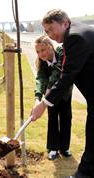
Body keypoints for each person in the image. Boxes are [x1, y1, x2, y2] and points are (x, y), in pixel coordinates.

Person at [31, 9, 94, 178]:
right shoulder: (78, 31)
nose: (50, 35)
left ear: (65, 23)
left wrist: (44, 103)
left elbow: (67, 75)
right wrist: (39, 97)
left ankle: (83, 174)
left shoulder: (74, 38)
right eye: (46, 32)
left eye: (51, 30)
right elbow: (41, 77)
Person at [34, 35, 73, 160]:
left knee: (66, 119)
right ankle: (53, 148)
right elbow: (40, 80)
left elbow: (57, 73)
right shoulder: (42, 63)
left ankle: (64, 147)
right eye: (38, 51)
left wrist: (49, 90)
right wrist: (37, 99)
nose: (41, 54)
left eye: (43, 50)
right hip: (50, 97)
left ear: (51, 47)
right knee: (52, 120)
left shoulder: (61, 53)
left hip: (64, 93)